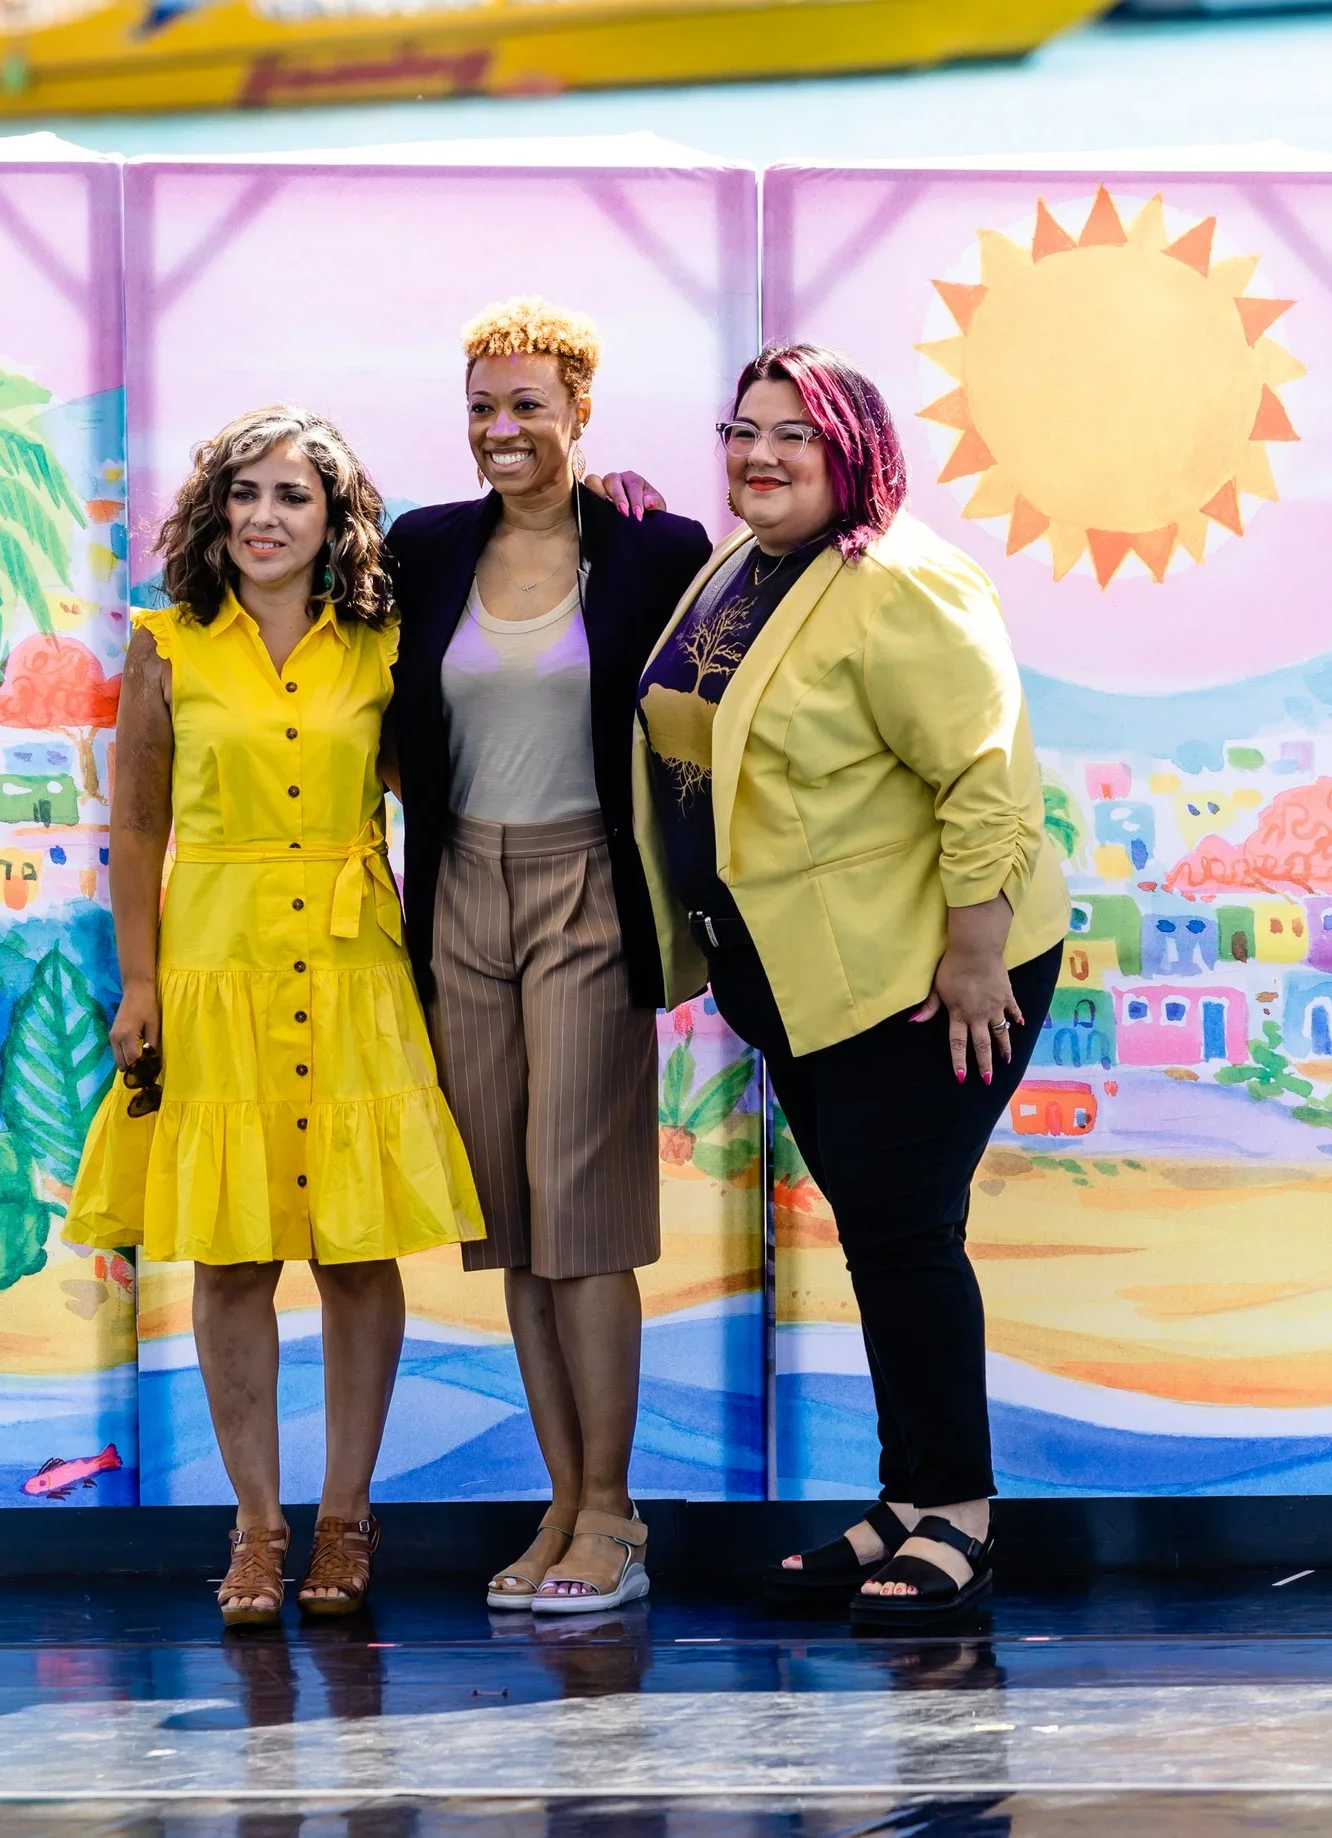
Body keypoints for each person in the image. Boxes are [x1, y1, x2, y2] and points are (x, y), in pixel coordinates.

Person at [633, 342, 1069, 1624]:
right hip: (801, 974)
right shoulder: (743, 566)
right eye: (744, 429)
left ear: (854, 451)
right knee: (882, 1237)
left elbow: (988, 771)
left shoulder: (904, 582)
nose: (760, 455)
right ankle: (906, 1493)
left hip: (925, 973)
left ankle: (961, 1513)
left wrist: (978, 947)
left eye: (796, 436)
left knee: (906, 1234)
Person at [67, 405, 486, 1628]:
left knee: (358, 1250)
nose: (264, 516)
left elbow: (443, 783)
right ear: (215, 511)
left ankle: (346, 1519)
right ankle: (256, 1526)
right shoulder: (169, 643)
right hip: (217, 961)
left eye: (291, 495)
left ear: (332, 515)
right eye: (244, 493)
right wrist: (139, 983)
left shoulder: (383, 641)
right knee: (234, 1251)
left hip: (353, 966)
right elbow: (136, 824)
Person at [387, 298, 712, 1614]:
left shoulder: (654, 543)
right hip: (459, 889)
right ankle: (562, 1499)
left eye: (527, 403)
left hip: (589, 881)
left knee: (583, 1219)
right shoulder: (423, 548)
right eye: (481, 406)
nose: (500, 428)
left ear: (582, 410)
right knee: (513, 1227)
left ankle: (613, 1518)